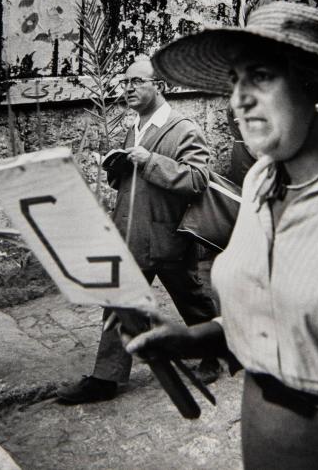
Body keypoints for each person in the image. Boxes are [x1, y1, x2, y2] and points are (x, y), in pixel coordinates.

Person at [125, 3, 318, 469]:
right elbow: (280, 310)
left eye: (259, 76)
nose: (237, 99)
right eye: (235, 80)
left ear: (317, 89)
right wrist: (193, 338)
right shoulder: (262, 180)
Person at [58, 55, 220, 404]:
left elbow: (197, 179)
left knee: (191, 299)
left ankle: (215, 350)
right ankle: (106, 378)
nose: (127, 89)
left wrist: (150, 161)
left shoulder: (184, 128)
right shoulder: (135, 127)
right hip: (132, 232)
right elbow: (136, 181)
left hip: (169, 235)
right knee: (121, 301)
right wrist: (116, 167)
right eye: (125, 83)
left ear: (158, 86)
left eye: (136, 82)